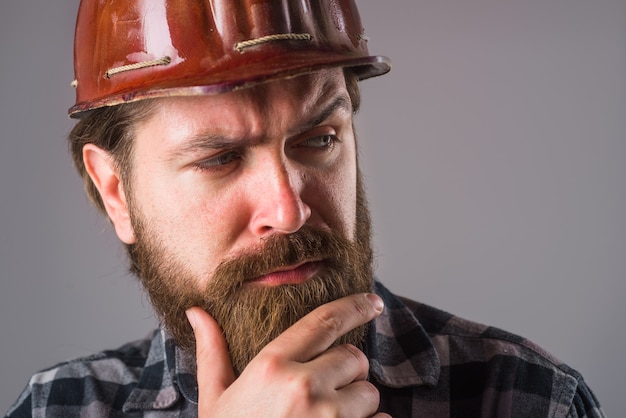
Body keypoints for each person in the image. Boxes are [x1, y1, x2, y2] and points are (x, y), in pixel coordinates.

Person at [6, 1, 604, 417]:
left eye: (319, 140)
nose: (288, 211)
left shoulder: (527, 399)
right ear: (117, 192)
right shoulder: (58, 408)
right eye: (219, 159)